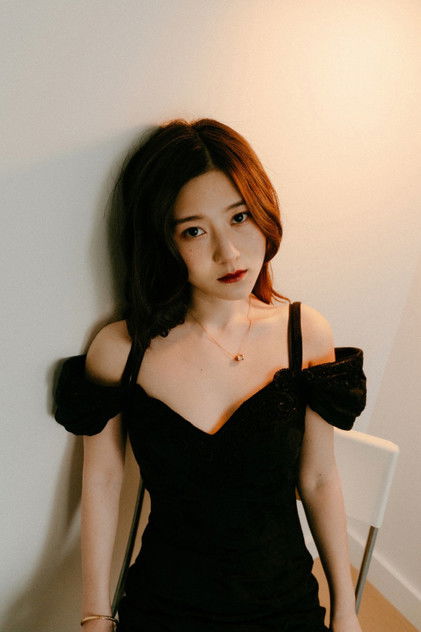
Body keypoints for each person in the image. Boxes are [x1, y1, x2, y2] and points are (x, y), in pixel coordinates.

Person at [54, 118, 367, 632]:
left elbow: (318, 477)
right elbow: (104, 480)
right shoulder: (121, 350)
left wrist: (347, 611)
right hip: (164, 608)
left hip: (283, 607)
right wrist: (95, 614)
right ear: (163, 242)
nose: (229, 252)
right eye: (194, 231)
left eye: (240, 217)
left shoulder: (304, 334)